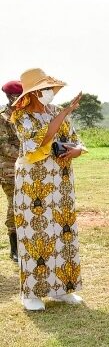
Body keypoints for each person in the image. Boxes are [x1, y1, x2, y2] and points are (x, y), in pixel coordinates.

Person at [11, 68, 85, 311]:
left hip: (61, 180)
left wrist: (78, 149)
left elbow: (74, 138)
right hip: (34, 184)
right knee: (36, 233)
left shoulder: (55, 111)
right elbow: (40, 140)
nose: (49, 93)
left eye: (50, 89)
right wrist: (66, 112)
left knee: (63, 232)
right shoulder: (20, 116)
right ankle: (32, 293)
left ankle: (63, 289)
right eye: (44, 90)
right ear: (31, 93)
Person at [1, 81, 22, 262]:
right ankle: (14, 247)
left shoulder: (26, 115)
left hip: (27, 167)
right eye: (18, 96)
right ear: (10, 97)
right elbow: (4, 145)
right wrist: (27, 153)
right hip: (9, 169)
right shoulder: (3, 117)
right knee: (14, 204)